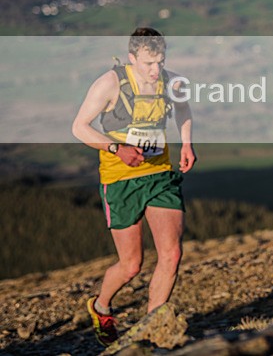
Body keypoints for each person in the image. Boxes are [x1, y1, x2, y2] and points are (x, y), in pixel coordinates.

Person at [72, 27, 196, 346]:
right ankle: (101, 307)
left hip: (160, 175)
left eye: (160, 62)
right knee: (131, 265)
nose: (156, 70)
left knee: (172, 253)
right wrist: (117, 149)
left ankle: (153, 327)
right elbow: (79, 127)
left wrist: (186, 143)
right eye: (148, 63)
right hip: (120, 179)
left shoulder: (172, 82)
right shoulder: (109, 83)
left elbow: (183, 109)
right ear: (132, 58)